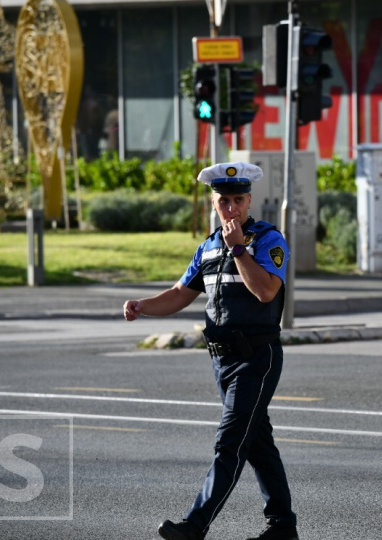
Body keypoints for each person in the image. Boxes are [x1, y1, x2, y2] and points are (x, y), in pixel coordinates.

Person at [123, 162, 299, 540]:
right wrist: (143, 304)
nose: (231, 208)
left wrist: (239, 249)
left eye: (238, 199)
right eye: (224, 201)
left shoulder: (268, 239)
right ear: (214, 203)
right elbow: (179, 294)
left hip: (256, 357)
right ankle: (283, 527)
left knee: (230, 442)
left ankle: (194, 525)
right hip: (222, 360)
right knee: (257, 443)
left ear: (249, 200)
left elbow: (266, 291)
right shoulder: (207, 246)